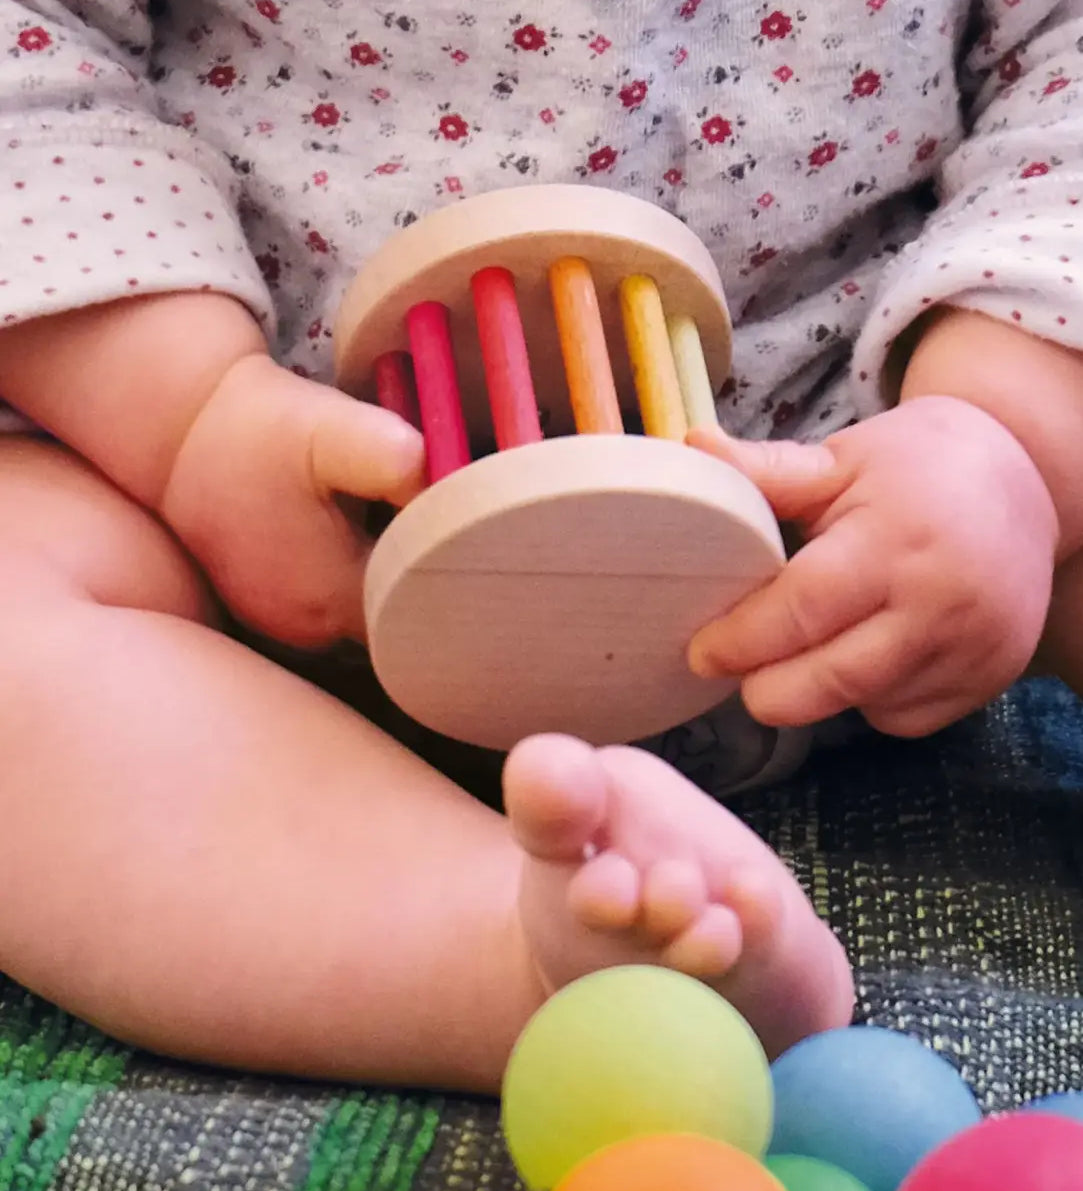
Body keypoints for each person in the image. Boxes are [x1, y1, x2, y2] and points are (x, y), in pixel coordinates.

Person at [0, 0, 1079, 1092]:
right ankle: (521, 961)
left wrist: (1011, 439)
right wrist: (186, 414)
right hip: (272, 530)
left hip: (859, 488)